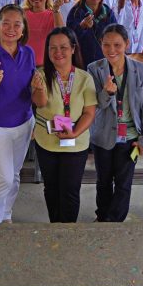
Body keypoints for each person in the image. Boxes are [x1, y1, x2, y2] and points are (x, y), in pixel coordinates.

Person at [0, 4, 43, 224]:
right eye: (6, 23)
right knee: (3, 179)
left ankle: (6, 214)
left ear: (23, 29)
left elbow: (30, 90)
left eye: (17, 24)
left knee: (14, 177)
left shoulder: (29, 53)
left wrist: (37, 86)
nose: (11, 29)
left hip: (23, 123)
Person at [87, 24, 143, 222]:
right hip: (103, 135)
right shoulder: (95, 69)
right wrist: (107, 93)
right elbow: (95, 105)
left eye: (117, 45)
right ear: (100, 45)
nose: (111, 50)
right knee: (103, 181)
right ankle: (102, 216)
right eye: (106, 45)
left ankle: (114, 221)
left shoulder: (142, 71)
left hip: (131, 136)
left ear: (127, 43)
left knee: (124, 183)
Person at [32, 27, 97, 223]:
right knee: (51, 188)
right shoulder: (41, 75)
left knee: (70, 189)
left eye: (63, 47)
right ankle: (55, 226)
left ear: (73, 49)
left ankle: (68, 231)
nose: (58, 52)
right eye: (53, 48)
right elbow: (40, 103)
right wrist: (39, 88)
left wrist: (74, 133)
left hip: (76, 142)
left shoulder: (85, 78)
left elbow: (89, 112)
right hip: (47, 140)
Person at [66, 0, 117, 66]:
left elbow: (116, 34)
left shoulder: (108, 12)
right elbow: (69, 38)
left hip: (105, 62)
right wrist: (81, 27)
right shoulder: (75, 12)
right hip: (82, 62)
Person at [23, 0, 63, 65]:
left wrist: (56, 10)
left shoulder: (53, 14)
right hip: (24, 64)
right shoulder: (22, 15)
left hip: (47, 66)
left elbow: (62, 34)